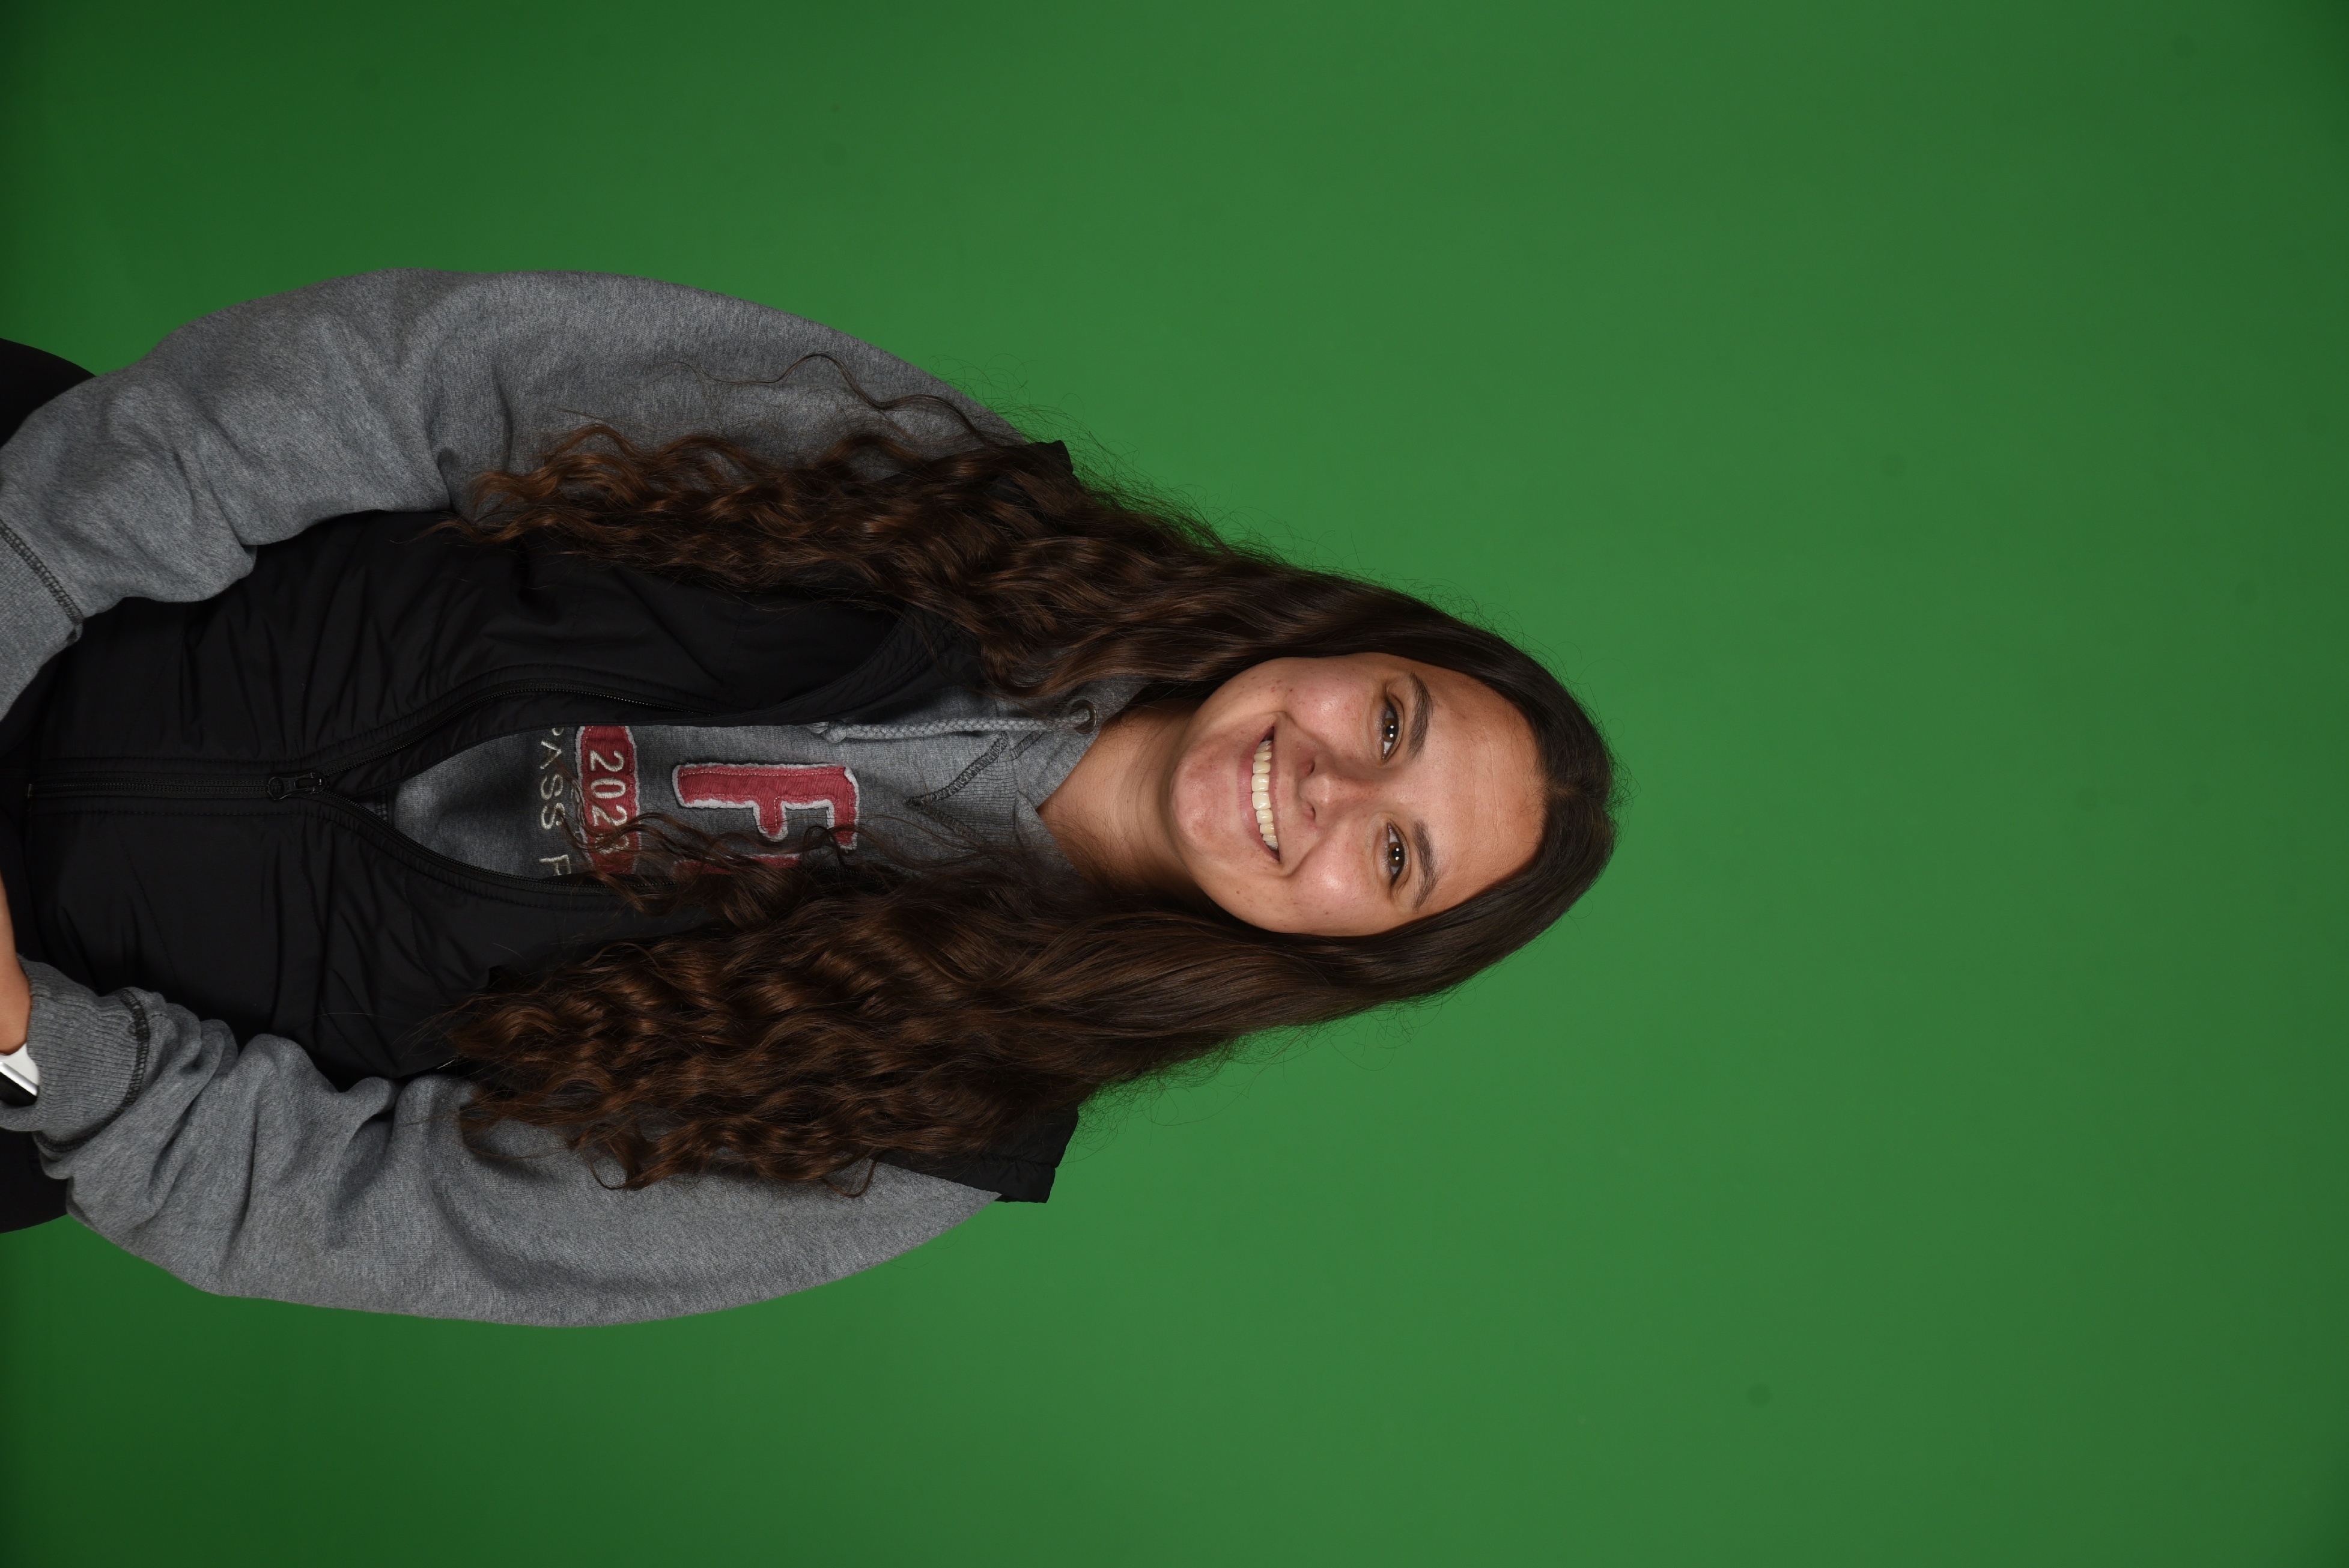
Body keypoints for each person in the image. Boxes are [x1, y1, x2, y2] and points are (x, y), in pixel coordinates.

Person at [0, 272, 1615, 1324]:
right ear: (1336, 639)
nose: (1331, 786)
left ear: (1349, 950)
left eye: (1394, 855)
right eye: (1389, 717)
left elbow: (376, 1212)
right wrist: (26, 576)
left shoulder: (933, 1125)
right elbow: (407, 375)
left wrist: (32, 1040)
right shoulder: (949, 495)